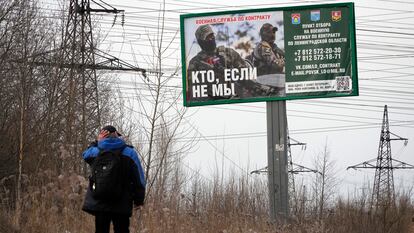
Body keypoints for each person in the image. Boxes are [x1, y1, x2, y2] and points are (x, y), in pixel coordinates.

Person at [82, 125, 146, 233]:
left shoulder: (96, 151)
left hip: (100, 202)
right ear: (116, 135)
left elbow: (85, 155)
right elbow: (139, 178)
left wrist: (97, 141)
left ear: (103, 136)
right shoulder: (129, 152)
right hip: (122, 203)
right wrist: (139, 200)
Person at [187, 24, 276, 100]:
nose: (211, 39)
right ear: (201, 41)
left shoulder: (228, 53)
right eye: (207, 37)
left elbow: (246, 73)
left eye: (212, 35)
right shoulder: (195, 63)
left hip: (237, 97)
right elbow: (195, 93)